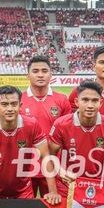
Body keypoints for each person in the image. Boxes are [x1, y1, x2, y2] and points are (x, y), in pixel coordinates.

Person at [48, 81, 104, 197]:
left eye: (95, 101)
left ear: (101, 103)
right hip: (68, 183)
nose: (90, 105)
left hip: (99, 183)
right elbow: (51, 154)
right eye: (85, 100)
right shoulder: (61, 124)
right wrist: (60, 171)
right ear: (77, 102)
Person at [21, 55, 72, 196]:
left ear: (51, 74)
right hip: (24, 164)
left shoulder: (61, 100)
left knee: (54, 207)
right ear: (28, 75)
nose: (40, 75)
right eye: (35, 71)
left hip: (54, 164)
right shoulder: (18, 100)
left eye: (44, 71)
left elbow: (68, 135)